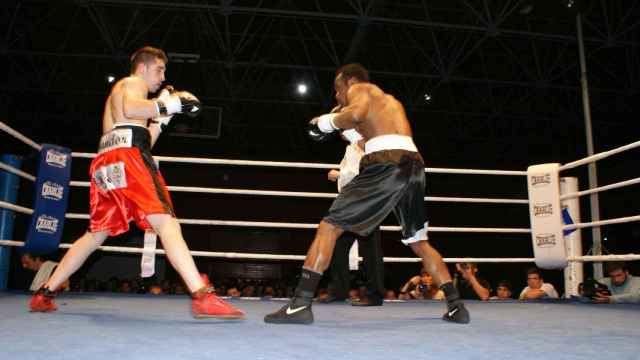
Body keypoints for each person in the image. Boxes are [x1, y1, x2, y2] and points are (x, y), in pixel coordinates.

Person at [28, 46, 244, 319]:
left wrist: (163, 119)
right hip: (127, 160)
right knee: (166, 222)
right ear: (142, 67)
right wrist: (169, 103)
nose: (162, 77)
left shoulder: (128, 96)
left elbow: (142, 139)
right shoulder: (132, 83)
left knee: (95, 234)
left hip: (108, 163)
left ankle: (44, 293)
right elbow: (132, 110)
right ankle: (202, 295)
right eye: (159, 69)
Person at [264, 63, 469, 324]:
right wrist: (345, 129)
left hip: (387, 163)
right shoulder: (389, 102)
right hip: (414, 164)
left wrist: (325, 122)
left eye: (338, 90)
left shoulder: (361, 89)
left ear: (348, 81)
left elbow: (357, 113)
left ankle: (299, 305)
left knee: (329, 227)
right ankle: (455, 306)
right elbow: (368, 135)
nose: (338, 96)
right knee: (419, 241)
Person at [322, 120, 385, 306]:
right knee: (340, 246)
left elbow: (365, 172)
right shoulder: (352, 147)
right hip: (350, 202)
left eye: (341, 128)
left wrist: (338, 174)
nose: (339, 132)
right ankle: (339, 291)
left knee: (370, 248)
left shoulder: (366, 142)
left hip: (365, 201)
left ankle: (374, 295)